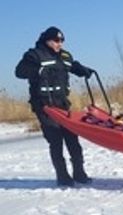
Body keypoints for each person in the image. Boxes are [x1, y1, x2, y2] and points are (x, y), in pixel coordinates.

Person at [15, 26, 94, 186]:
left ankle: (79, 173)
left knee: (73, 139)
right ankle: (63, 177)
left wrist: (84, 70)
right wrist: (36, 71)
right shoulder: (34, 55)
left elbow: (72, 66)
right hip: (44, 106)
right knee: (56, 141)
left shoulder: (64, 56)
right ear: (48, 41)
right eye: (57, 41)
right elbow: (19, 72)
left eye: (62, 41)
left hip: (63, 105)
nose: (60, 44)